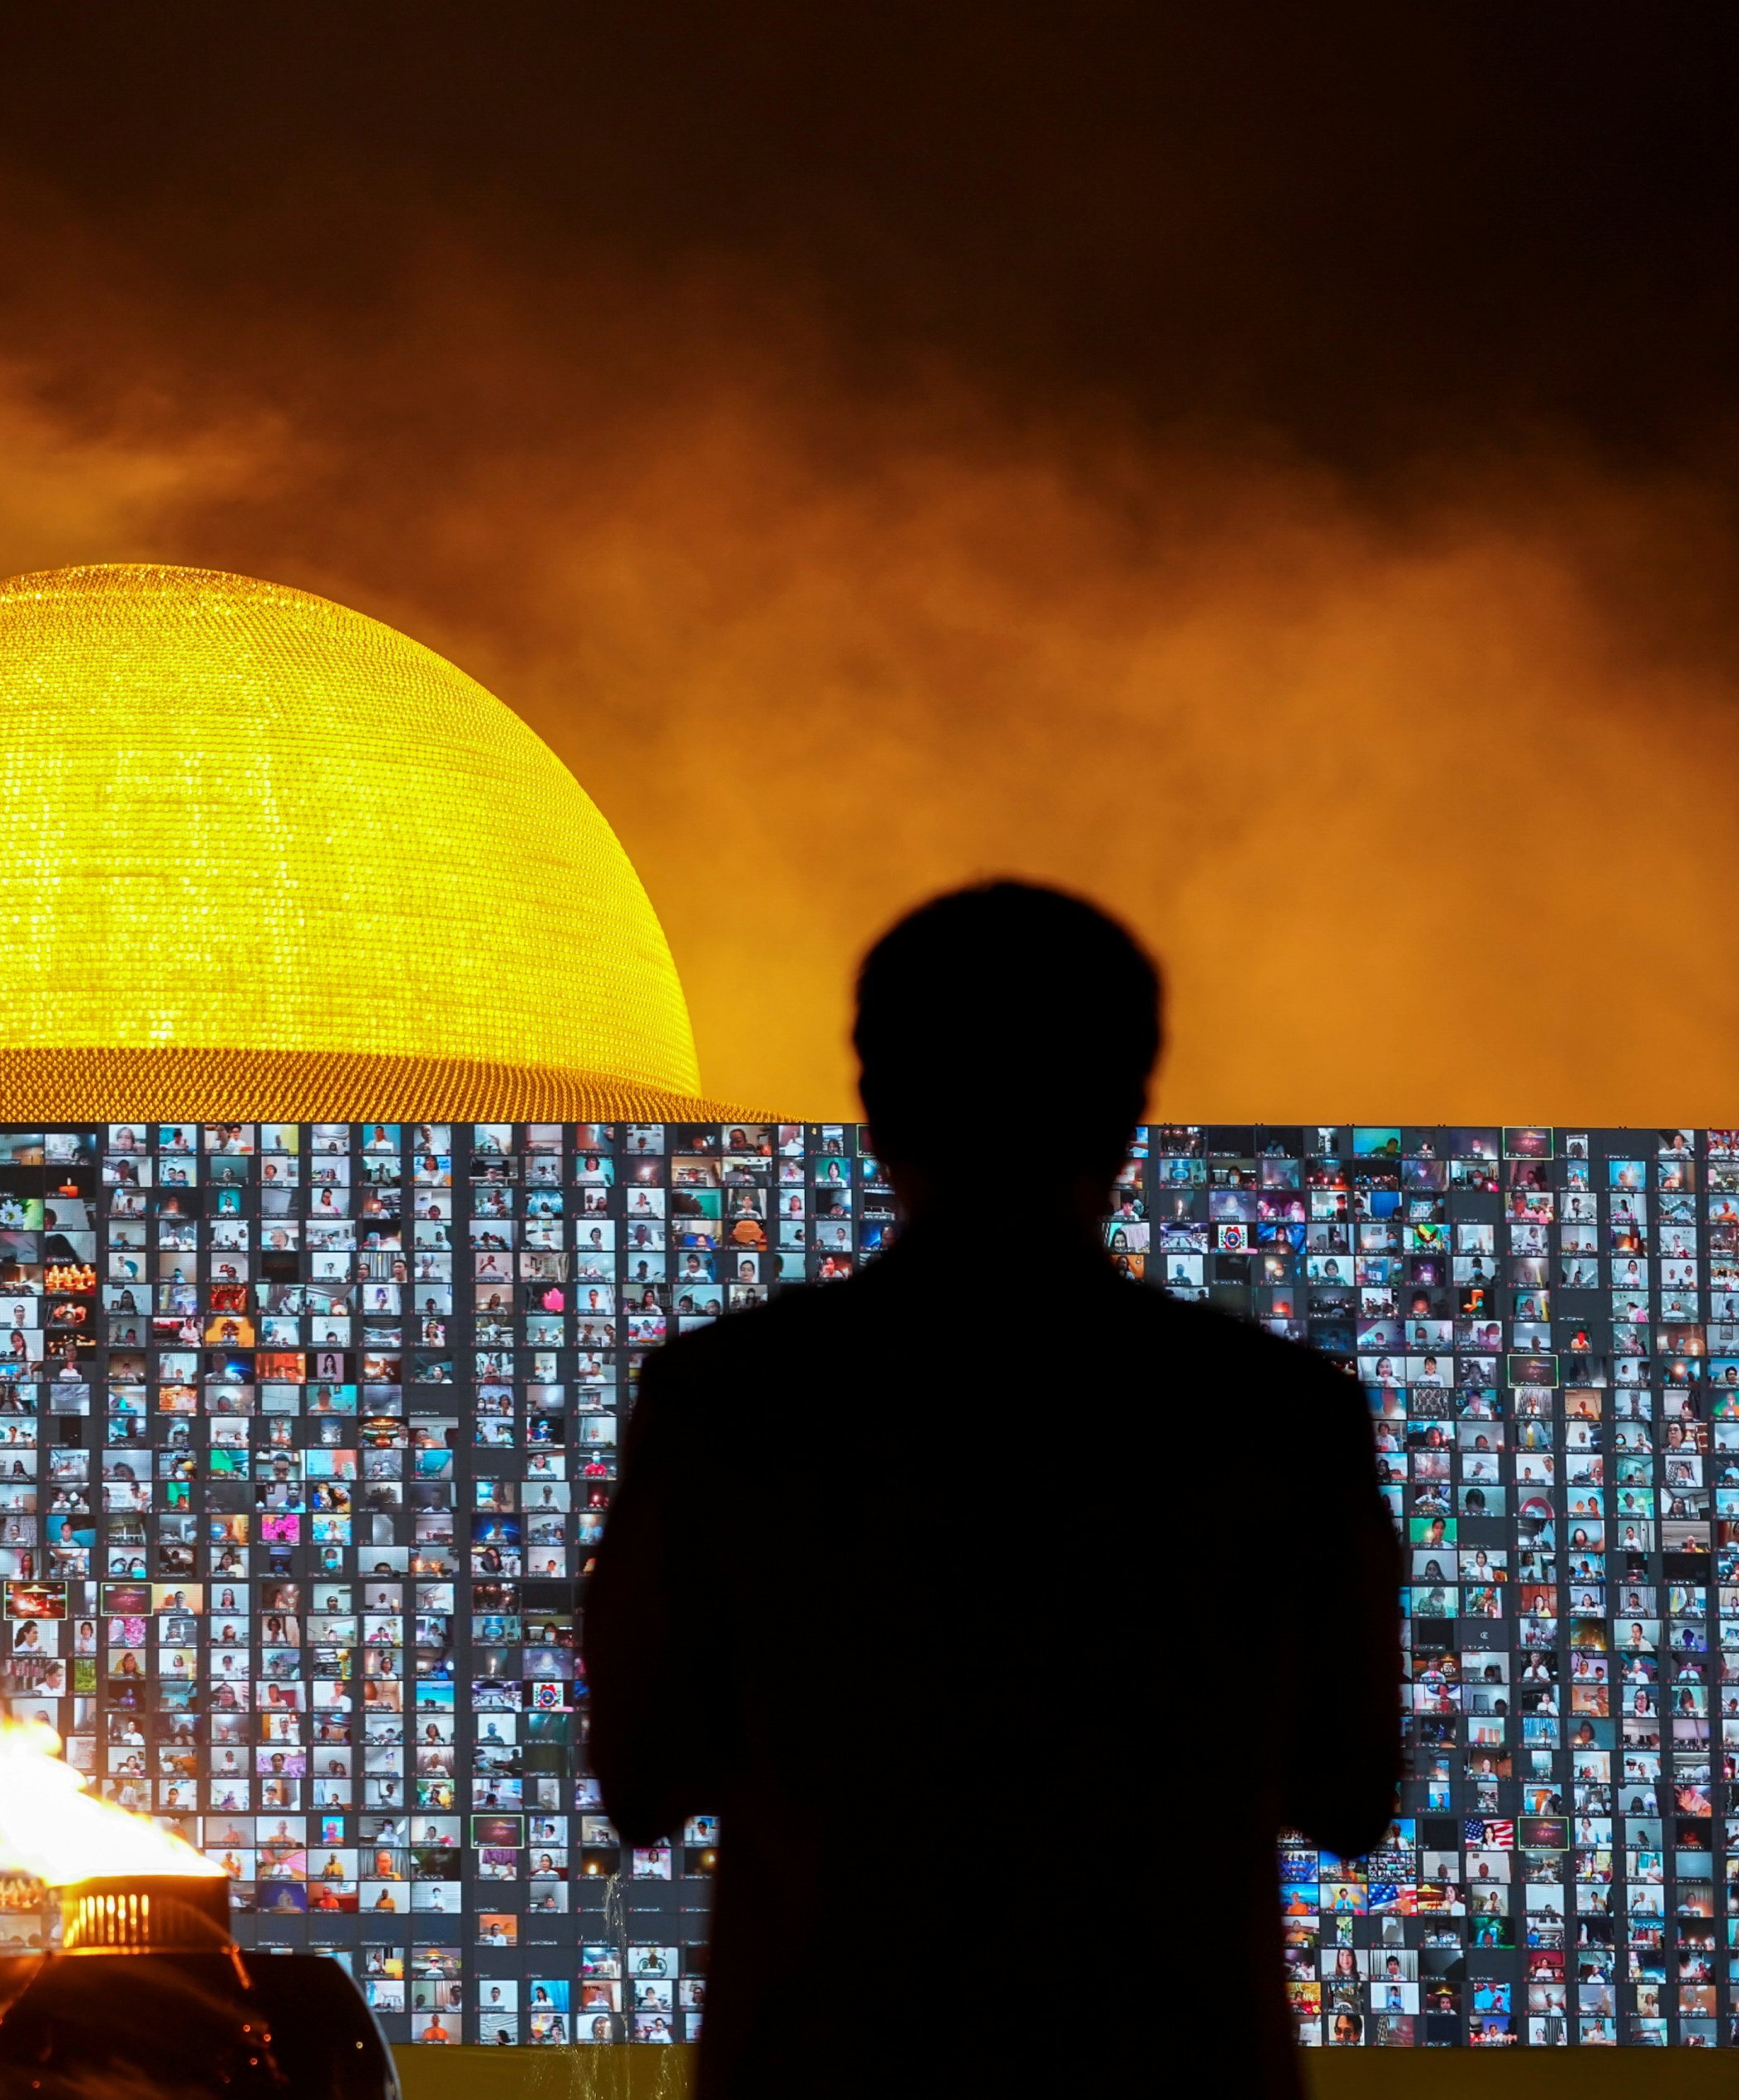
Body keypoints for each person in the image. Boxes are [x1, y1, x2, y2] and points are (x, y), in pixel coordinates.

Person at [583, 881, 1399, 2098]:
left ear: (875, 1103)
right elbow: (1349, 1791)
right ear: (1128, 1108)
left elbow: (644, 1777)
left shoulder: (726, 1403)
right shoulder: (1279, 1416)